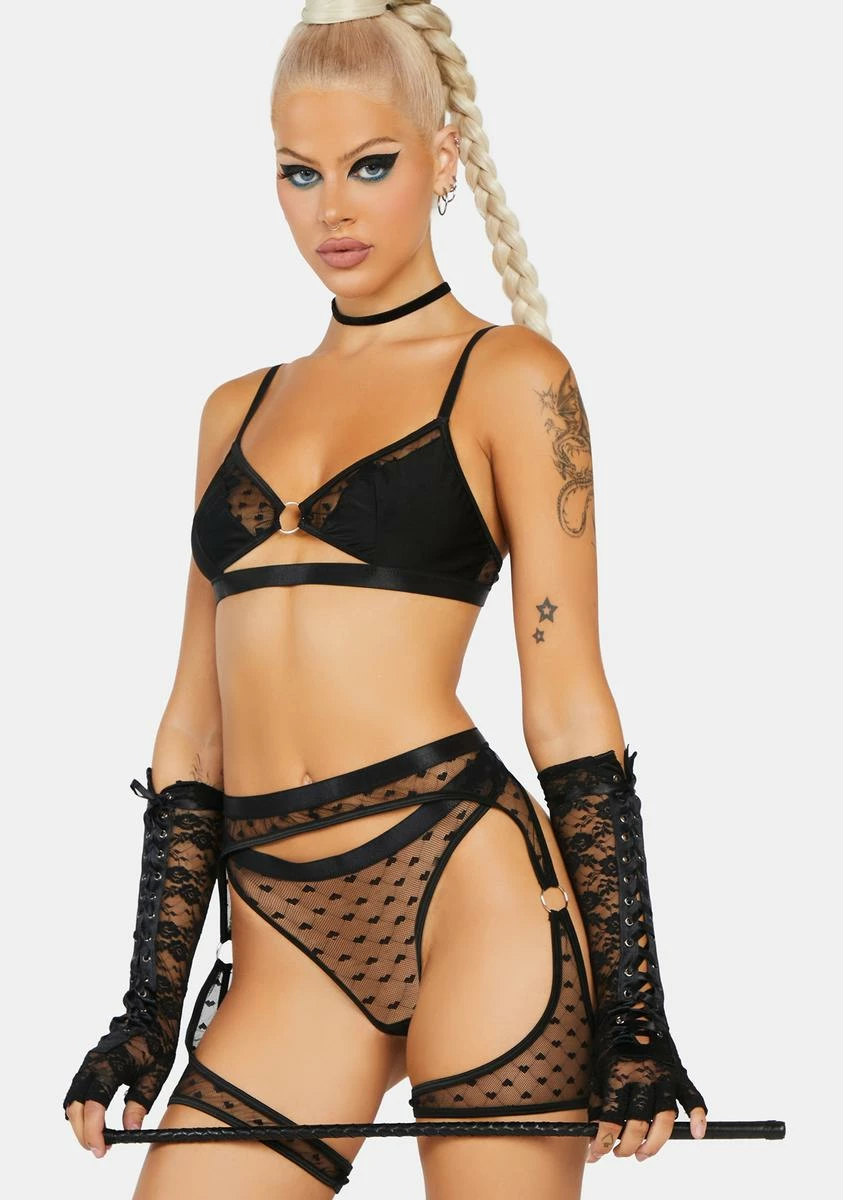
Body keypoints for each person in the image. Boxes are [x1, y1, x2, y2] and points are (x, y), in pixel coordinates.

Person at [63, 2, 708, 1196]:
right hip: (282, 933)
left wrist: (637, 1012)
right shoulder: (233, 411)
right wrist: (147, 1012)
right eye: (299, 173)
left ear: (443, 156)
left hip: (470, 888)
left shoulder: (512, 378)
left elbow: (568, 705)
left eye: (370, 165)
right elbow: (193, 729)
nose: (333, 210)